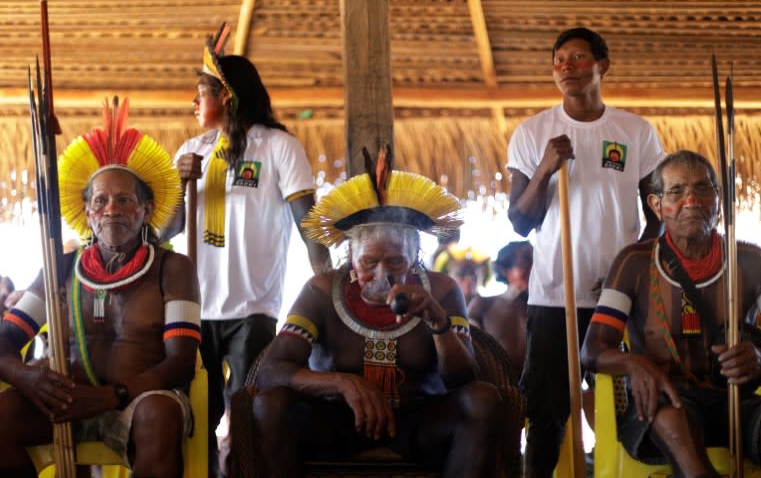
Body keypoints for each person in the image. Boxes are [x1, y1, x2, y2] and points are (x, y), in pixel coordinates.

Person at [240, 149, 501, 478]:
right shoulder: (321, 291)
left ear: (416, 254)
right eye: (368, 262)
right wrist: (343, 383)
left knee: (482, 399)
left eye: (395, 262)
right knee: (270, 404)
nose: (381, 274)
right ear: (351, 253)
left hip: (420, 422)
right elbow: (271, 373)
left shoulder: (443, 290)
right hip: (335, 420)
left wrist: (439, 324)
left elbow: (463, 380)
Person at [162, 24, 330, 477]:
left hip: (252, 305)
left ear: (228, 96)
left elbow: (307, 222)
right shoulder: (191, 151)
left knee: (245, 412)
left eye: (201, 92)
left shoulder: (279, 146)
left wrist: (327, 284)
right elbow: (165, 230)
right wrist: (180, 184)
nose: (193, 103)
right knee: (197, 410)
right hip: (194, 308)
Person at [0, 98, 200, 478]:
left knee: (159, 414)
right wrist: (28, 378)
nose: (112, 209)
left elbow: (180, 362)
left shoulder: (172, 269)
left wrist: (111, 396)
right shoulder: (60, 268)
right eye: (101, 201)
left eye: (125, 200)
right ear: (88, 213)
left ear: (145, 210)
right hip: (66, 403)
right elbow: (4, 339)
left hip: (137, 402)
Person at [506, 26, 666, 476]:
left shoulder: (635, 130)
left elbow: (658, 212)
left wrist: (630, 268)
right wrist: (543, 170)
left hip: (620, 298)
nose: (566, 67)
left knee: (630, 406)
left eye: (577, 58)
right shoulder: (533, 131)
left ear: (602, 65)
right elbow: (520, 223)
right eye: (559, 60)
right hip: (554, 295)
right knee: (546, 414)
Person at [581, 150, 761, 477]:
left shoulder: (752, 262)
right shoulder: (633, 263)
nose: (692, 200)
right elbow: (592, 349)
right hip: (664, 408)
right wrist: (634, 362)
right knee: (673, 421)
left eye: (703, 189)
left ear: (719, 199)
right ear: (656, 205)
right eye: (677, 191)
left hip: (735, 404)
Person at [468, 240, 533, 380]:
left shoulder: (546, 309)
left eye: (536, 263)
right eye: (524, 264)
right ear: (506, 270)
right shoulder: (482, 305)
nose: (533, 269)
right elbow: (469, 353)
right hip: (498, 388)